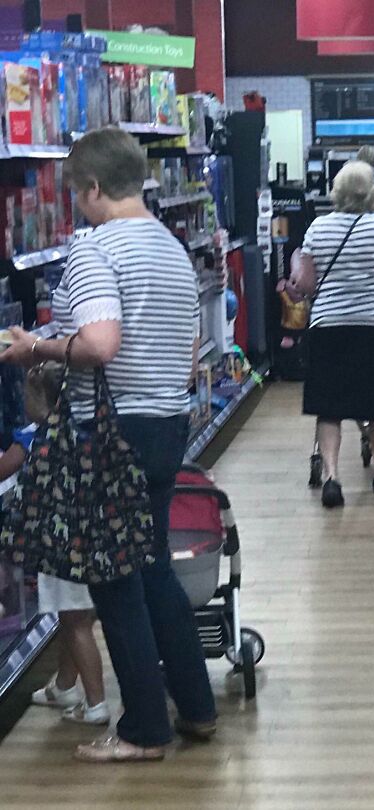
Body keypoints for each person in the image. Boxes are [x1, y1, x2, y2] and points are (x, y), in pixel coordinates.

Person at [1, 126, 216, 763]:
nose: (76, 205)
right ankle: (196, 707)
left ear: (94, 187)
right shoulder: (171, 248)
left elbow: (100, 343)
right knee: (151, 567)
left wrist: (36, 349)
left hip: (110, 436)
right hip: (166, 423)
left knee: (113, 580)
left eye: (76, 192)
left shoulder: (95, 248)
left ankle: (144, 729)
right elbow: (186, 356)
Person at [289, 161, 374, 508]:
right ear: (371, 192)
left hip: (329, 327)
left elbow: (307, 283)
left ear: (337, 192)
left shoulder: (318, 228)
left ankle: (332, 478)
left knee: (329, 408)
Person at [0, 363, 109, 726]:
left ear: (43, 401)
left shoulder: (34, 437)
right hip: (94, 540)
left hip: (60, 547)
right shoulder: (88, 430)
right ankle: (64, 686)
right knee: (75, 616)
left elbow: (3, 469)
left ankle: (96, 705)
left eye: (28, 396)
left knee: (75, 622)